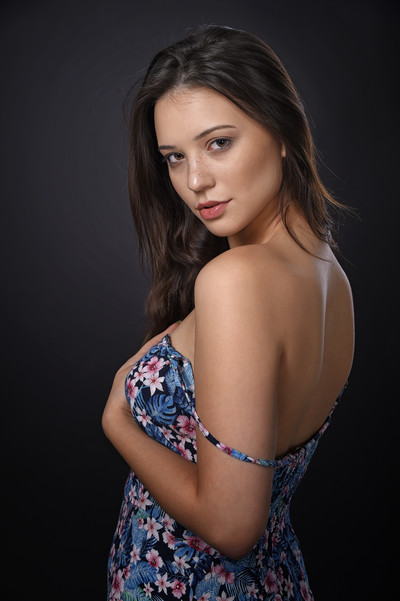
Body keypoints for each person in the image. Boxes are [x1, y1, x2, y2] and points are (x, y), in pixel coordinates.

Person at [102, 24, 354, 601]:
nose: (195, 181)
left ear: (283, 131)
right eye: (174, 157)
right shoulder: (330, 276)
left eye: (218, 143)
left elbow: (232, 525)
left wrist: (117, 420)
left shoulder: (235, 280)